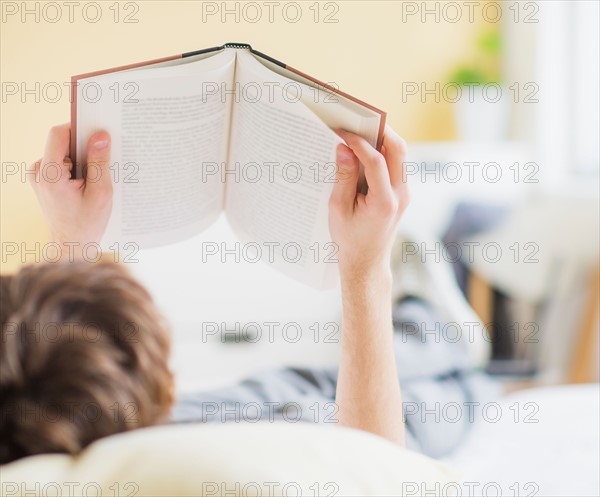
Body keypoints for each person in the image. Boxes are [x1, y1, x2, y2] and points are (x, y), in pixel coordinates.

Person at [0, 124, 495, 465]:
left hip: (149, 418)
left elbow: (45, 385)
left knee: (290, 385)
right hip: (192, 429)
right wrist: (365, 268)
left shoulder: (49, 426)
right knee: (429, 405)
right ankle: (445, 331)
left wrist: (71, 242)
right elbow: (376, 468)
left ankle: (432, 319)